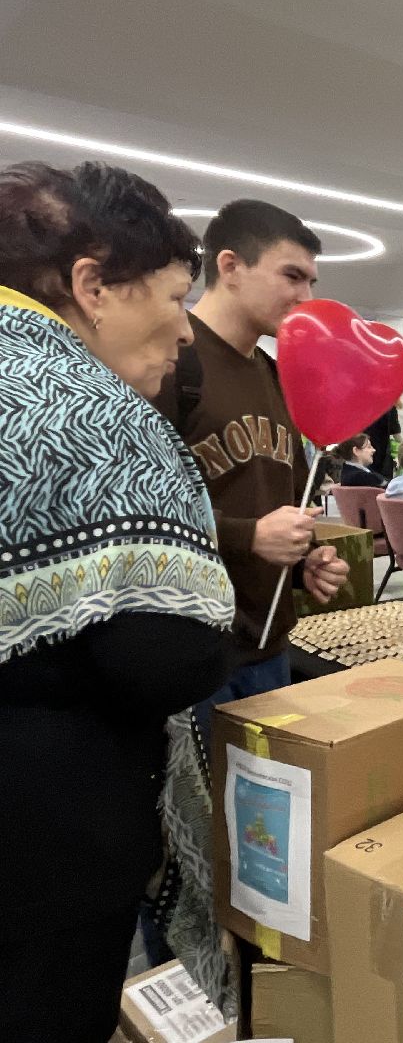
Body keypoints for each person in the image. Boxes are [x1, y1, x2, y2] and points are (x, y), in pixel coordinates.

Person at [0, 161, 236, 1041]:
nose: (185, 329)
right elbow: (163, 658)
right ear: (92, 285)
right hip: (41, 841)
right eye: (174, 297)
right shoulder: (90, 412)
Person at [154, 200, 349, 727]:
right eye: (292, 276)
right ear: (230, 266)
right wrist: (249, 538)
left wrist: (304, 561)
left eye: (311, 281)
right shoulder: (167, 364)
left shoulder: (276, 374)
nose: (306, 298)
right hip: (194, 650)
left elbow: (279, 498)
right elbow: (134, 520)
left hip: (269, 645)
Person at [365, 403, 403, 479]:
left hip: (361, 453)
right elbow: (396, 435)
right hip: (382, 457)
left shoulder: (358, 405)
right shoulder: (389, 405)